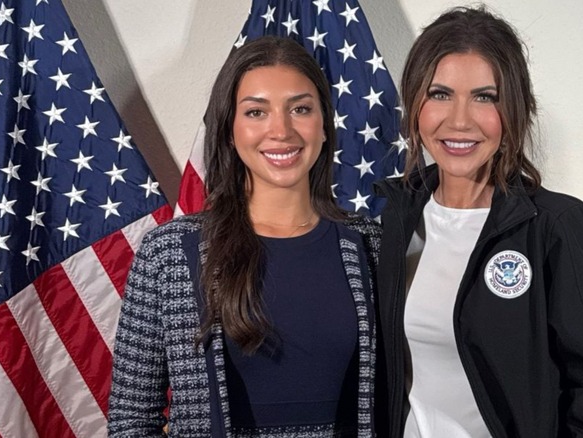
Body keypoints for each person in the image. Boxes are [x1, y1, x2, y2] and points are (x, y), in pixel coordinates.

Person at [375, 6, 583, 437]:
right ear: (414, 105)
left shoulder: (556, 227)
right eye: (440, 94)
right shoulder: (389, 219)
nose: (459, 120)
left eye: (485, 97)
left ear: (515, 110)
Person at [108, 36, 381, 438]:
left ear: (324, 126)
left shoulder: (369, 244)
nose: (281, 130)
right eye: (256, 112)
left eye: (300, 109)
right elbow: (132, 422)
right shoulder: (169, 253)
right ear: (230, 132)